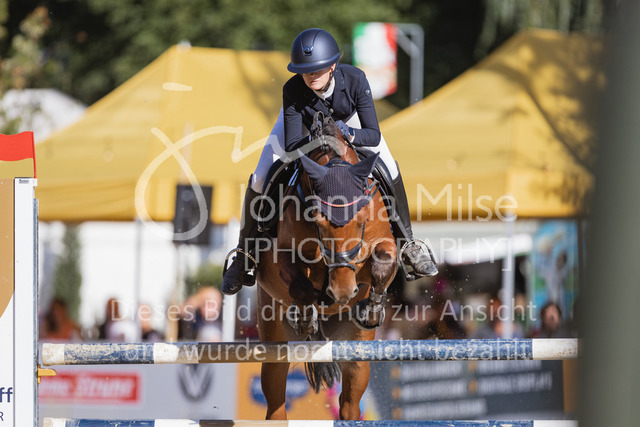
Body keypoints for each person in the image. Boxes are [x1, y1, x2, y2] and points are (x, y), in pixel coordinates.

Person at [222, 28, 438, 296]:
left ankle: (409, 244)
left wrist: (348, 134)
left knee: (389, 166)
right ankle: (244, 256)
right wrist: (318, 140)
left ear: (333, 66)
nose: (311, 76)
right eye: (305, 71)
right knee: (261, 176)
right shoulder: (293, 89)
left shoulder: (356, 79)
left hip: (350, 124)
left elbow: (373, 133)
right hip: (306, 132)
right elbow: (292, 146)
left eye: (317, 70)